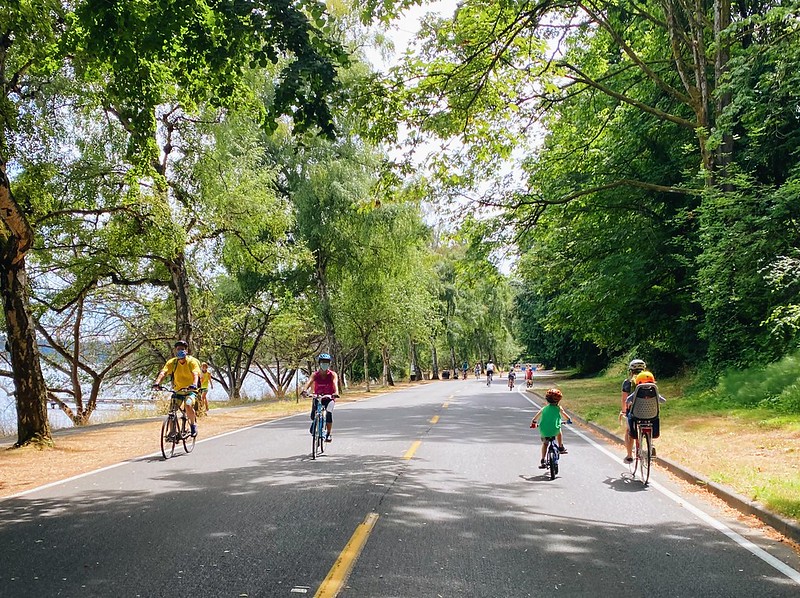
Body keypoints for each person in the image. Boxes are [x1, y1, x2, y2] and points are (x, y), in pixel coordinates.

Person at [153, 340, 202, 436]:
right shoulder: (172, 362)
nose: (180, 351)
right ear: (175, 350)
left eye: (182, 349)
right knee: (172, 411)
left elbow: (195, 374)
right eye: (178, 349)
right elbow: (163, 372)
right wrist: (157, 383)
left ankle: (193, 426)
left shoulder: (191, 362)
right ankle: (172, 432)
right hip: (178, 391)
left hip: (190, 391)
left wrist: (194, 384)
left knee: (188, 405)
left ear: (186, 351)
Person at [626, 370, 666, 457]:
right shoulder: (654, 391)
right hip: (652, 416)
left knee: (629, 416)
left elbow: (628, 400)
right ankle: (653, 440)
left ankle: (634, 435)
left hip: (638, 416)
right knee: (656, 418)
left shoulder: (637, 391)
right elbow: (663, 401)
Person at [301, 353, 340, 442]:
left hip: (329, 398)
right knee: (313, 415)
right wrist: (304, 391)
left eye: (326, 362)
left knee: (329, 412)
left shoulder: (332, 374)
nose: (324, 364)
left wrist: (336, 392)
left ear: (329, 363)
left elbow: (335, 383)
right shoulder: (315, 374)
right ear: (319, 363)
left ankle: (329, 433)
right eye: (323, 362)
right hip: (317, 397)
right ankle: (315, 424)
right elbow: (309, 382)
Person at [531, 388, 571, 468]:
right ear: (558, 400)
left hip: (544, 430)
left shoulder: (544, 409)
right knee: (559, 431)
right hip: (555, 429)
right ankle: (560, 447)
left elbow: (534, 419)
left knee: (545, 444)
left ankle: (543, 460)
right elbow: (566, 416)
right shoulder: (558, 408)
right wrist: (569, 420)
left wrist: (533, 424)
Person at [621, 358, 647, 462]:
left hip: (634, 413)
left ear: (631, 371)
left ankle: (629, 455)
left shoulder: (628, 383)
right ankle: (650, 444)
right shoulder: (650, 382)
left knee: (629, 430)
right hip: (649, 412)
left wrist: (623, 412)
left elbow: (624, 400)